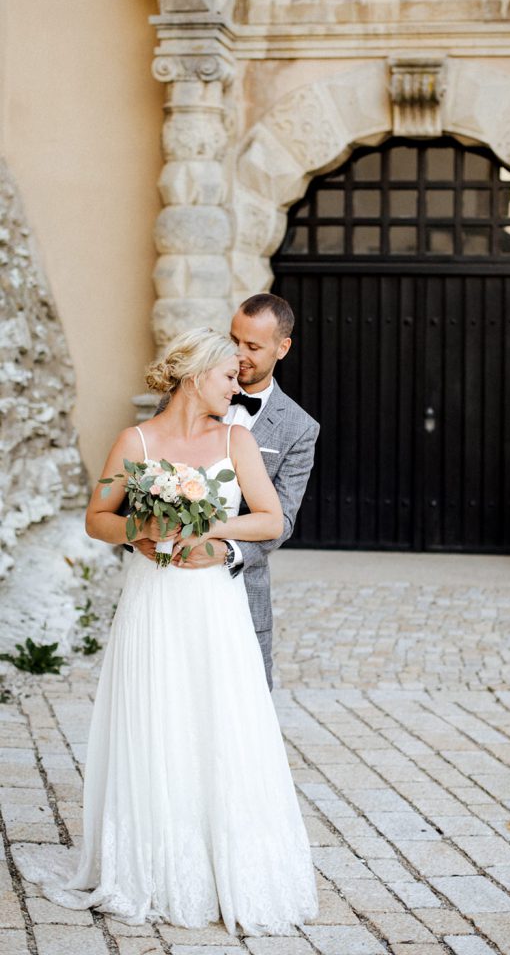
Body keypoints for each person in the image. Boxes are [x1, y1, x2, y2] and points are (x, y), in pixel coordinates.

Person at [14, 328, 318, 933]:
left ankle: (221, 861)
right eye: (229, 375)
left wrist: (211, 534)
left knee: (218, 719)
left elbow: (270, 517)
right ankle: (146, 864)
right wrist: (140, 534)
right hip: (152, 601)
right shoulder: (136, 441)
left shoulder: (237, 439)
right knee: (154, 718)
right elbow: (98, 517)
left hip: (213, 605)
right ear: (195, 375)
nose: (238, 385)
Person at [134, 294, 319, 690]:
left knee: (243, 702)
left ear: (282, 348)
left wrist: (226, 550)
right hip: (169, 578)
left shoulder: (299, 428)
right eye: (234, 340)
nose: (239, 354)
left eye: (253, 347)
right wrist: (142, 535)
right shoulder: (186, 397)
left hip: (239, 581)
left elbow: (281, 520)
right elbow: (148, 476)